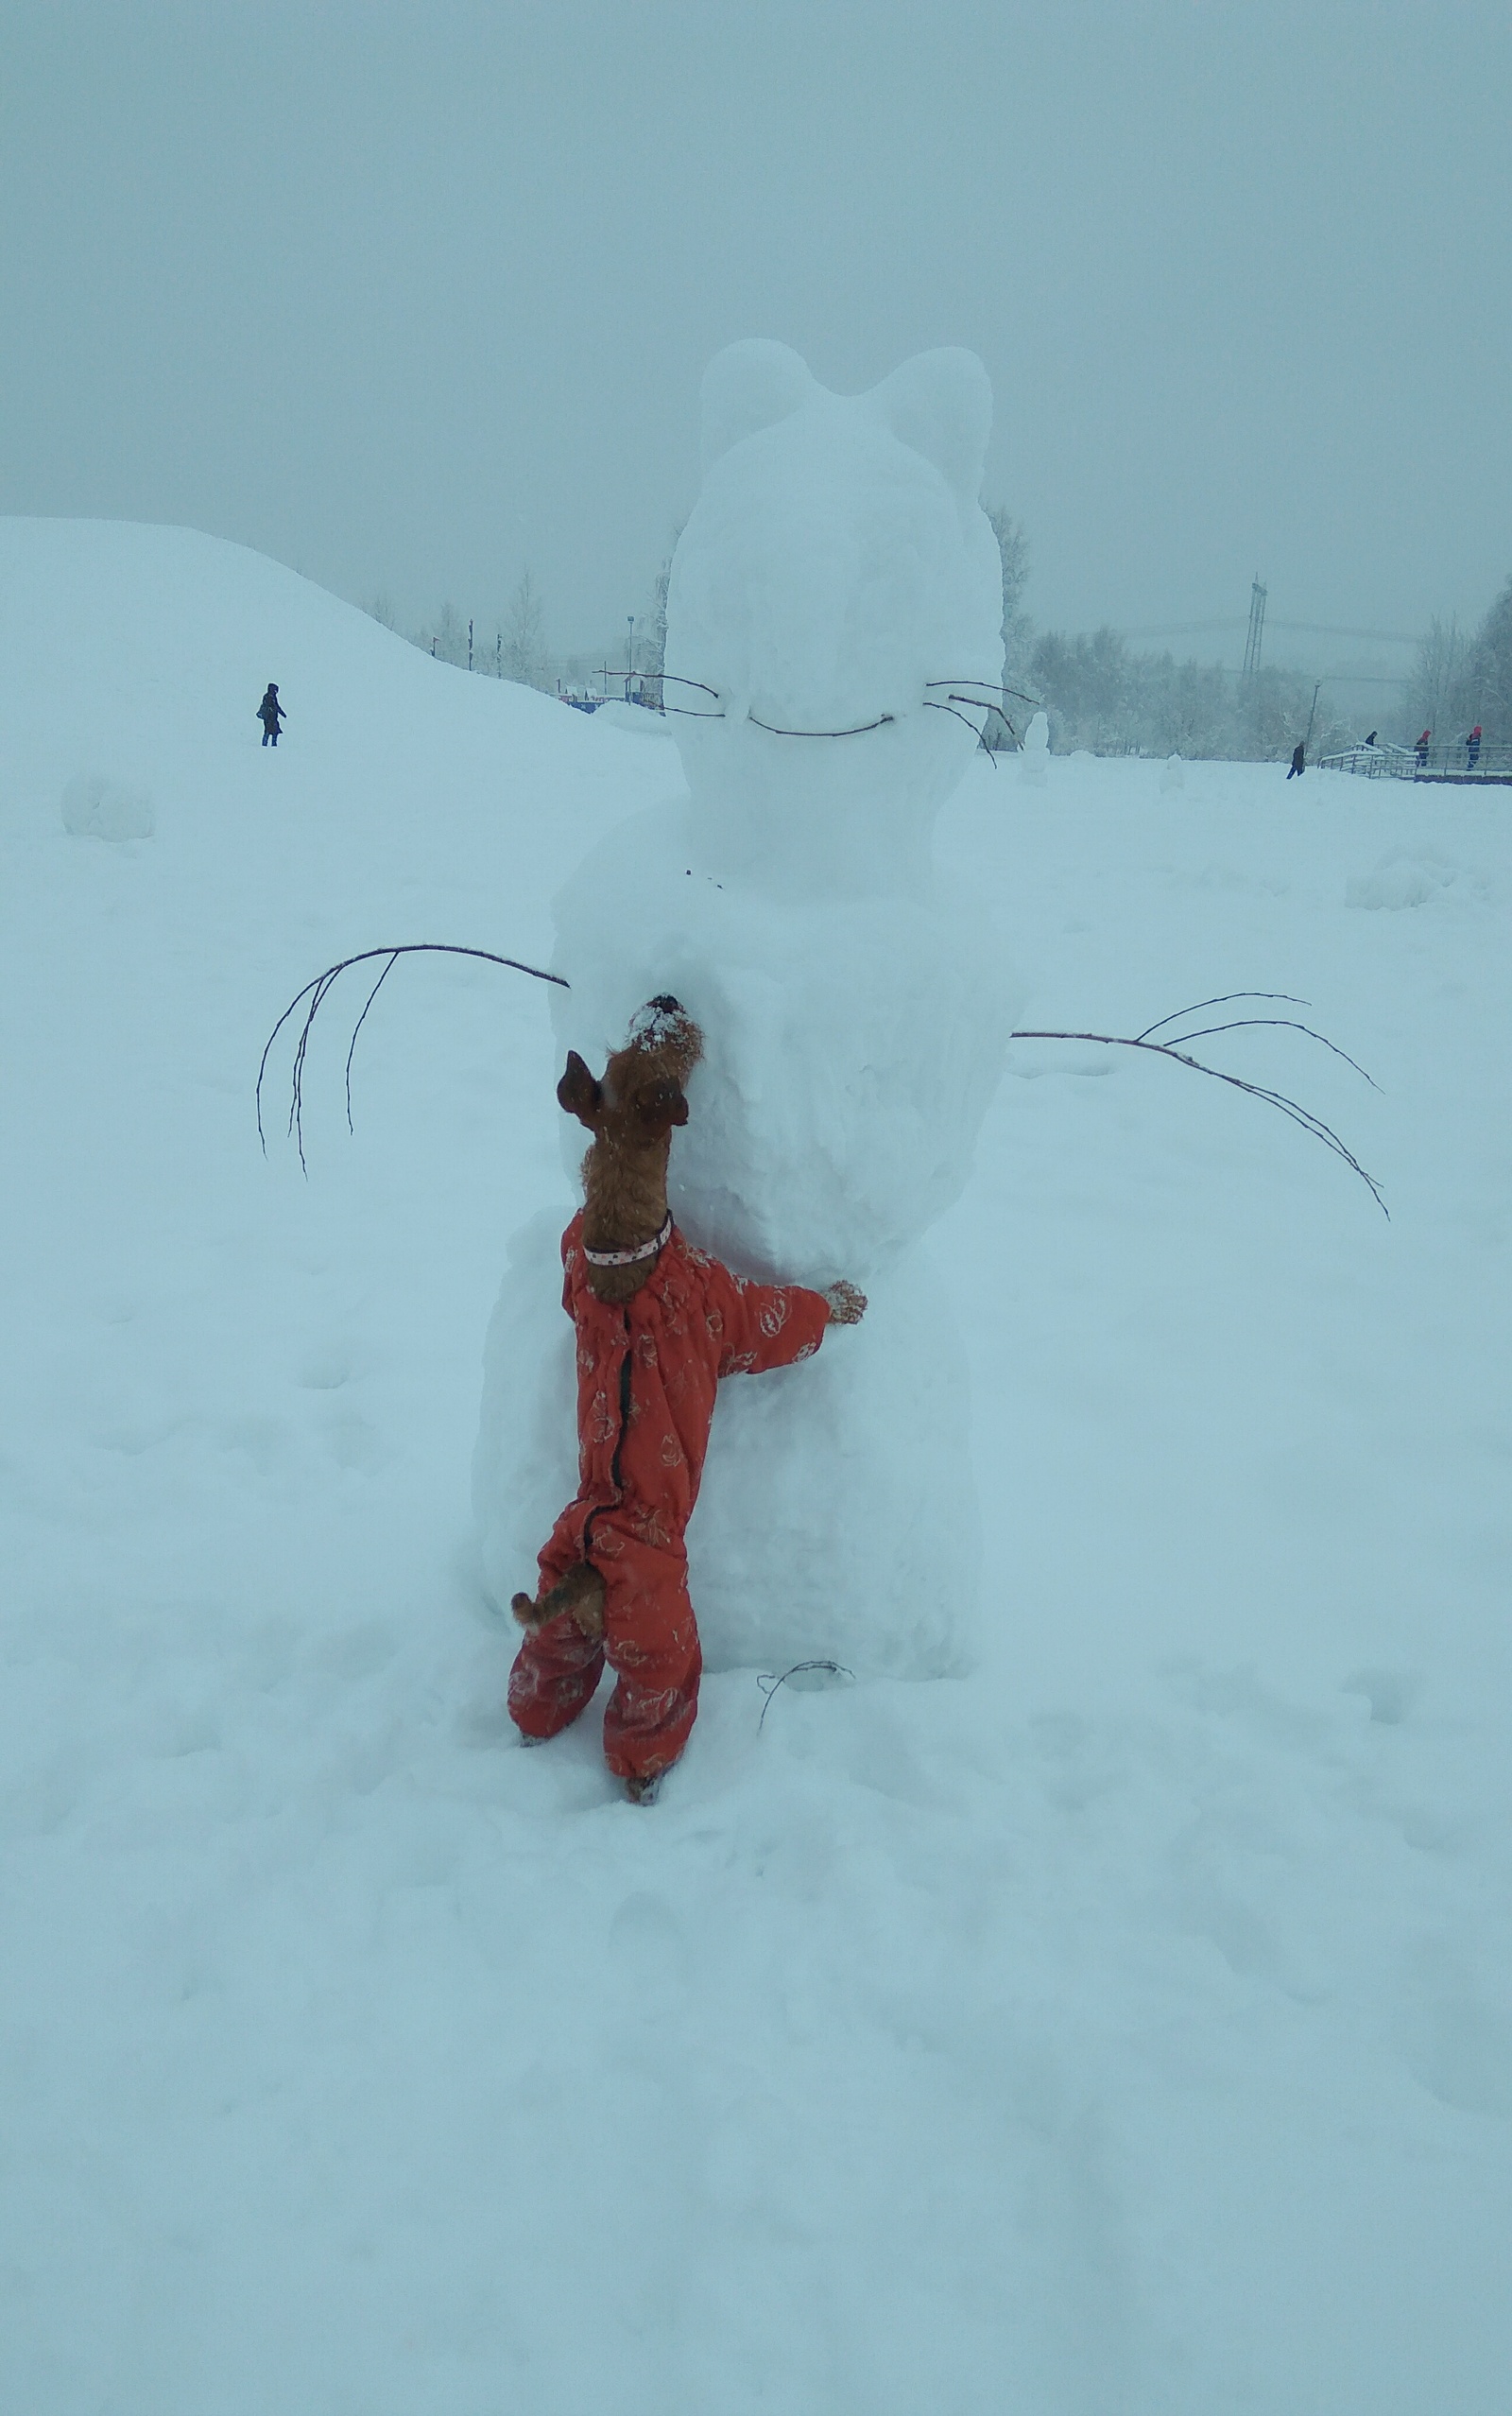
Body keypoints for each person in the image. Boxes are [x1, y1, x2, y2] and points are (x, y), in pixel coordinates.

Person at [258, 683, 285, 747]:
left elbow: (276, 706)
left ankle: (273, 744)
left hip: (273, 717)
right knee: (268, 730)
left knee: (274, 731)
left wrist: (282, 713)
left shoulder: (273, 697)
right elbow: (273, 706)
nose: (276, 692)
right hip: (268, 717)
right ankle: (265, 744)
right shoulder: (267, 696)